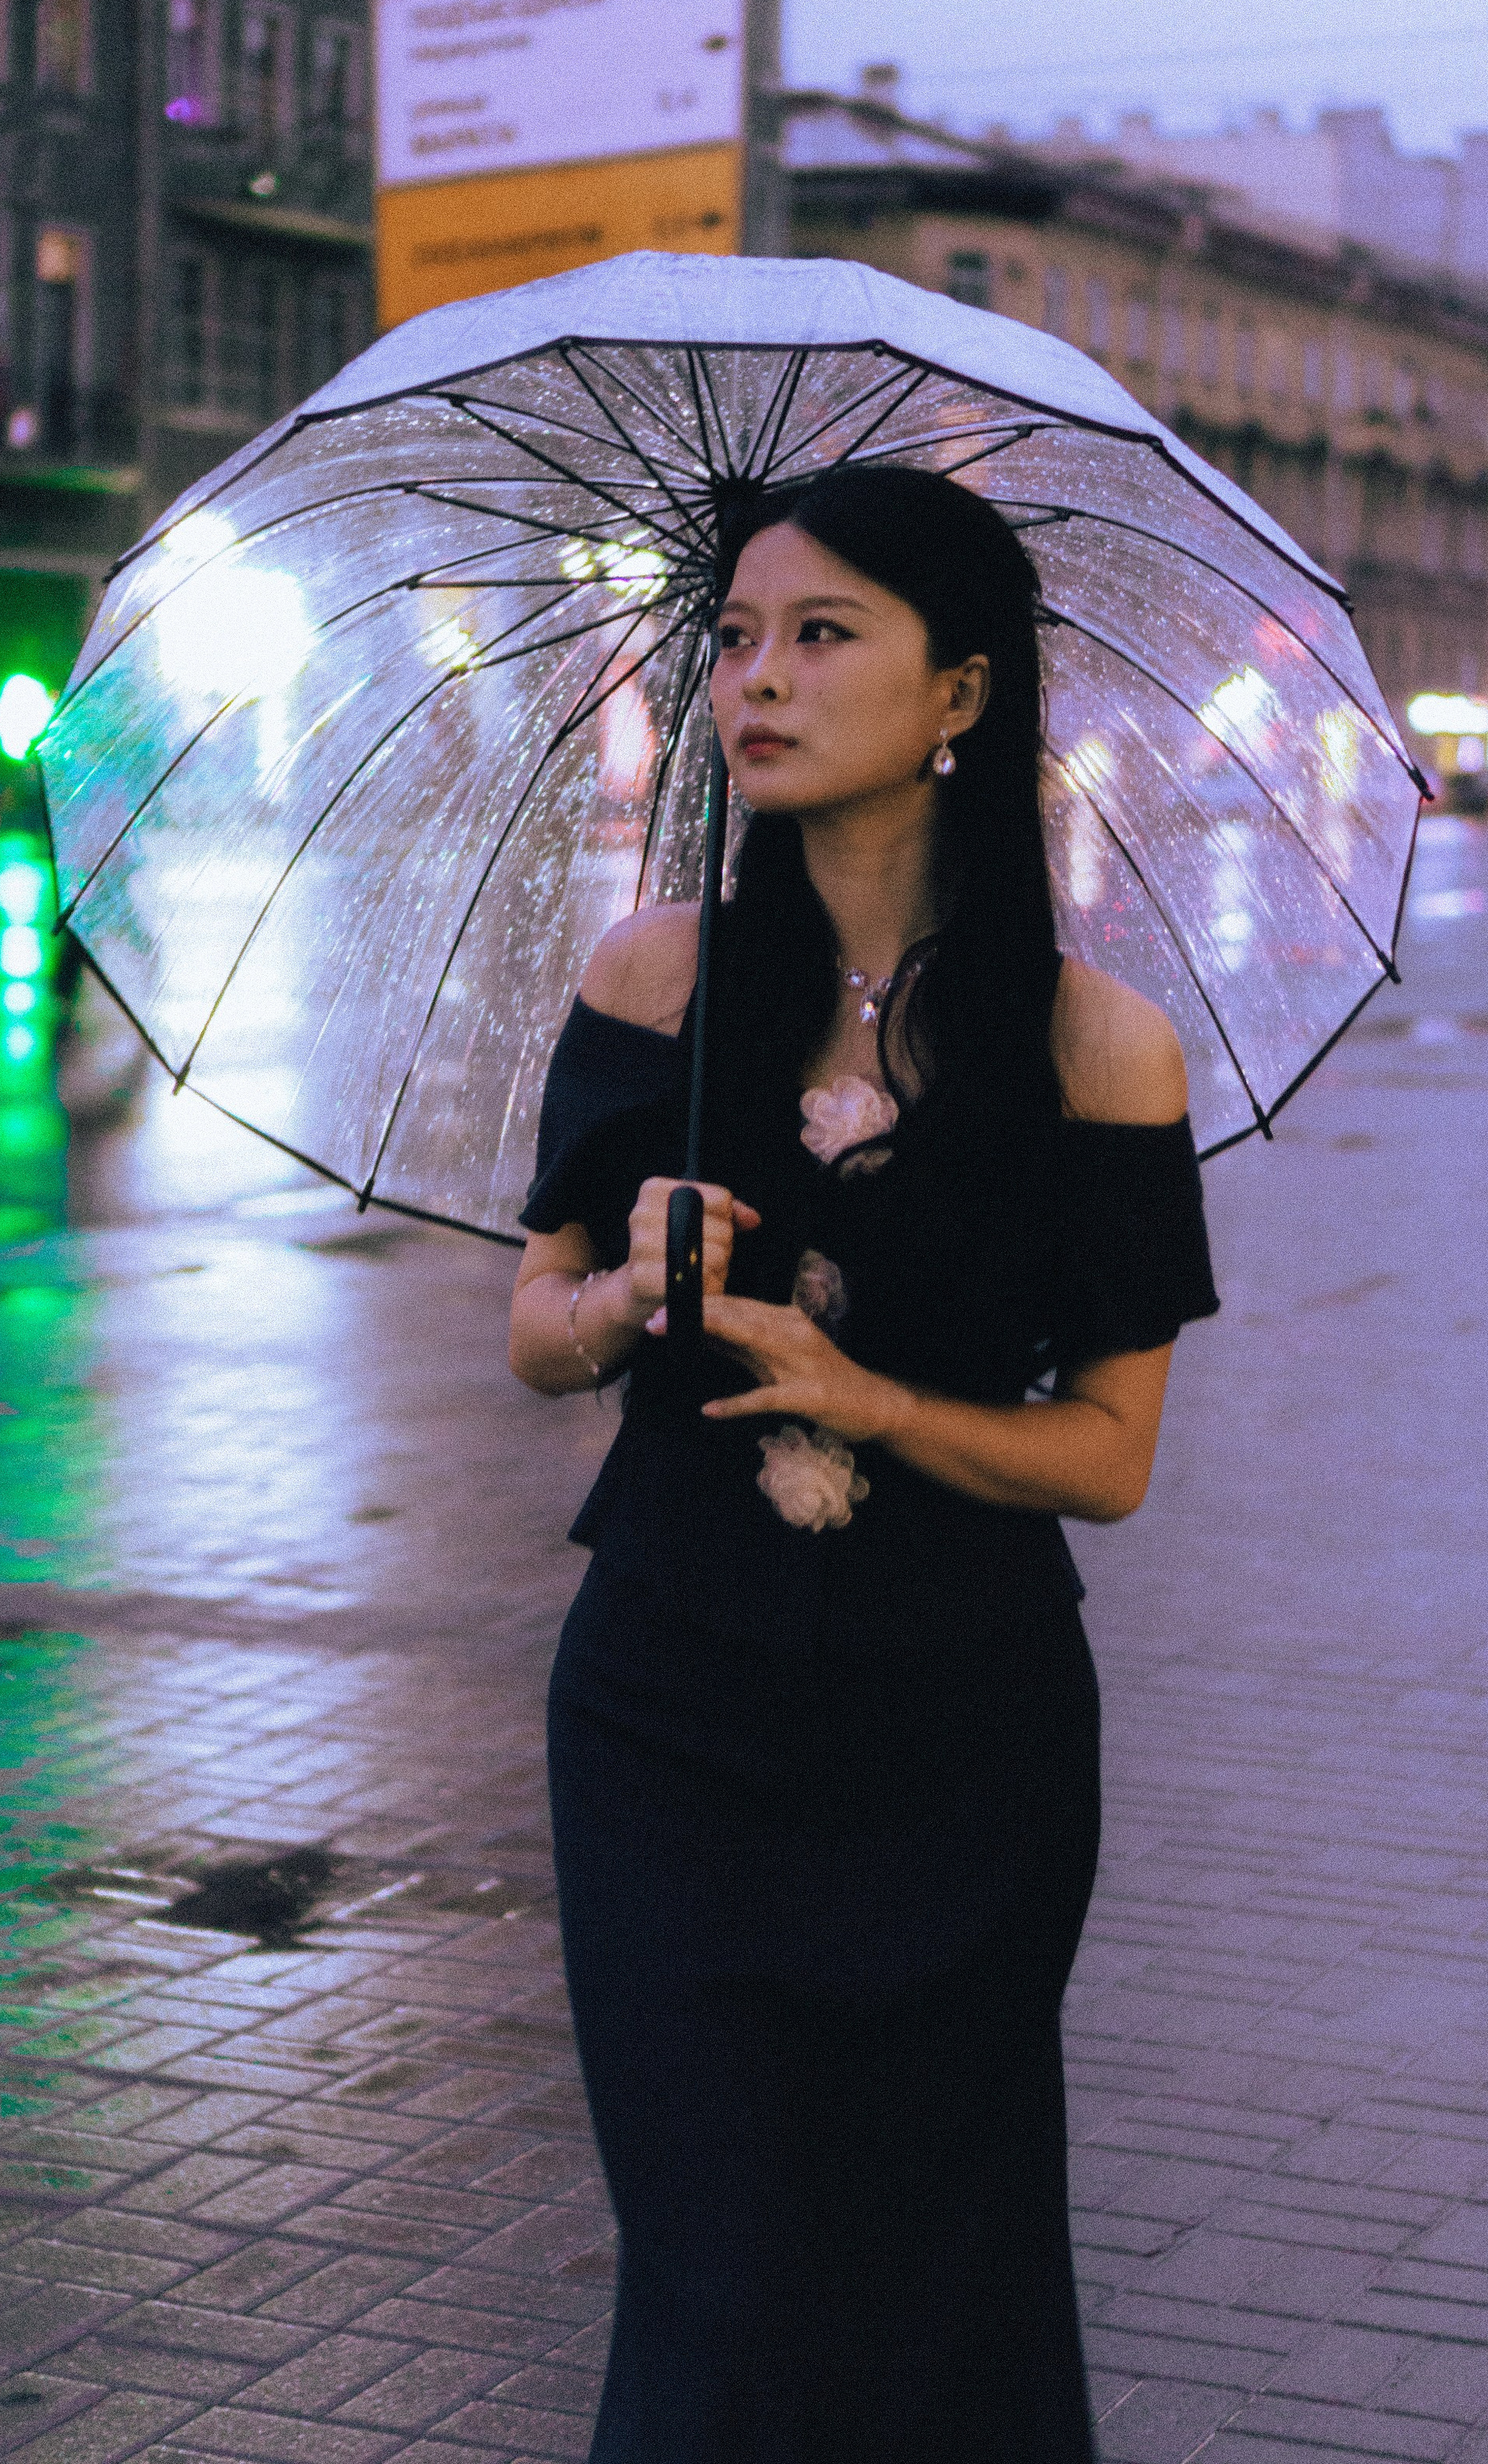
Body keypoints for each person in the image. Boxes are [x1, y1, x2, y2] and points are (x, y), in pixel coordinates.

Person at [507, 463, 1218, 2462]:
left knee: (942, 2263)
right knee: (714, 2265)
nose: (757, 679)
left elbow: (1106, 1459)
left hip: (958, 1732)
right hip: (668, 1700)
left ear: (960, 693)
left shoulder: (1096, 1049)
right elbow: (529, 1332)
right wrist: (619, 1289)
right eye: (733, 636)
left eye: (822, 636)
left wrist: (876, 1397)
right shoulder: (654, 978)